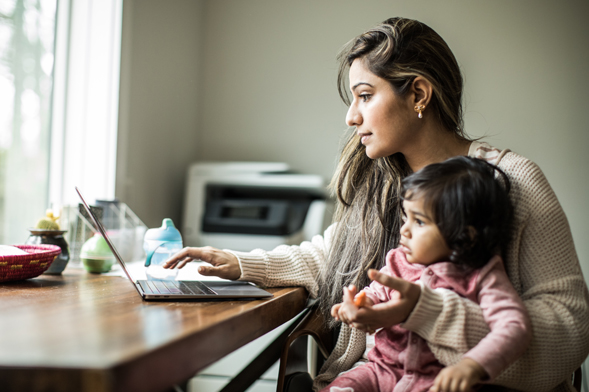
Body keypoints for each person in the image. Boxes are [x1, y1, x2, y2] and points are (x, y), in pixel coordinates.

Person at [164, 17, 589, 391]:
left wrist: (428, 315)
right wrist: (239, 265)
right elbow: (332, 255)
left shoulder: (512, 181)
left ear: (419, 93)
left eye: (365, 96)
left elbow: (570, 326)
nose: (351, 117)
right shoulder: (381, 182)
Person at [325, 156, 531, 392]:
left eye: (419, 222)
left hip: (438, 381)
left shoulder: (483, 275)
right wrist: (360, 305)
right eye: (406, 217)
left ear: (466, 235)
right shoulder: (398, 260)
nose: (404, 230)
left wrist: (473, 365)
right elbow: (374, 292)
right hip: (381, 370)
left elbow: (514, 326)